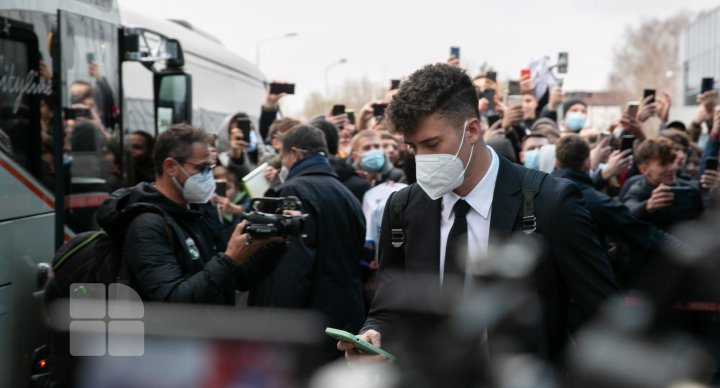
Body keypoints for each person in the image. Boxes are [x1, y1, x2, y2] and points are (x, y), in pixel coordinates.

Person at [339, 63, 618, 364]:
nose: (421, 158)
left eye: (432, 144)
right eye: (412, 147)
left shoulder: (550, 202)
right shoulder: (403, 208)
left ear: (471, 130)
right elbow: (388, 308)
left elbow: (604, 316)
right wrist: (372, 334)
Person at [96, 124, 285, 304]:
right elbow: (172, 299)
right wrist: (229, 259)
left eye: (210, 169)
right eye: (201, 169)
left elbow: (239, 279)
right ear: (170, 166)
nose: (208, 177)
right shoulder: (147, 225)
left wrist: (272, 243)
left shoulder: (199, 211)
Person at [251, 125, 367, 363]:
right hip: (344, 321)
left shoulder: (291, 193)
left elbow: (290, 271)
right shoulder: (347, 194)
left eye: (282, 157)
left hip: (308, 327)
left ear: (294, 153)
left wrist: (276, 330)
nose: (282, 163)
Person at [553, 134, 683, 287]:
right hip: (585, 286)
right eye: (663, 163)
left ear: (556, 163)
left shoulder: (537, 192)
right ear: (587, 163)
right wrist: (688, 251)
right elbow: (639, 231)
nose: (672, 168)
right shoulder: (598, 202)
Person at [622, 137, 704, 232]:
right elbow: (626, 214)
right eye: (663, 164)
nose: (672, 168)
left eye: (672, 161)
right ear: (643, 170)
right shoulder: (638, 191)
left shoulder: (691, 189)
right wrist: (648, 206)